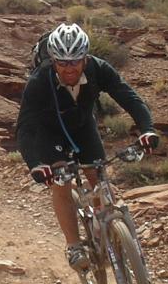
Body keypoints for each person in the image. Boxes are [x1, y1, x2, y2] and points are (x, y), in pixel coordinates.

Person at [16, 22, 159, 270]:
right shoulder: (39, 81)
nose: (69, 68)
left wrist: (147, 129)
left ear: (85, 58)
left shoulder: (98, 69)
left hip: (83, 126)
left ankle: (106, 230)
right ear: (52, 60)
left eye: (75, 61)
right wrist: (36, 164)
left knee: (99, 178)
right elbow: (25, 127)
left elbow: (130, 98)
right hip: (49, 132)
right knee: (62, 183)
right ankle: (74, 246)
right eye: (61, 62)